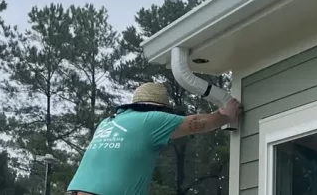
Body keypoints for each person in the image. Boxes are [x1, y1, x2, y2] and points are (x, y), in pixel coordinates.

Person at [65, 81, 241, 195]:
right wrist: (226, 115)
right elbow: (198, 122)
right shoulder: (151, 120)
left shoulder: (107, 123)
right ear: (160, 109)